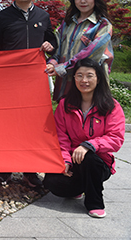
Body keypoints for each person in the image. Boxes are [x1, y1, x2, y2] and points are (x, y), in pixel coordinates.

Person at [0, 0, 58, 188]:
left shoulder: (43, 16)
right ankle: (5, 170)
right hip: (8, 81)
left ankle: (30, 171)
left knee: (33, 126)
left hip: (34, 82)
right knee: (7, 125)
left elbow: (53, 44)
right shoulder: (2, 17)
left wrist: (50, 48)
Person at [43, 58, 125, 218]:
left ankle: (95, 202)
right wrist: (65, 160)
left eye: (89, 76)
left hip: (98, 162)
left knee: (89, 159)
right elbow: (60, 136)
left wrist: (89, 145)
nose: (84, 80)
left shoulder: (111, 106)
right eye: (79, 75)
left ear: (98, 78)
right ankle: (80, 187)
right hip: (73, 160)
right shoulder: (65, 105)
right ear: (74, 79)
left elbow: (115, 138)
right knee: (51, 182)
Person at [46, 0, 114, 101]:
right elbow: (57, 49)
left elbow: (90, 54)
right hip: (65, 83)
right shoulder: (67, 24)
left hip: (88, 84)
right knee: (64, 111)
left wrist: (62, 68)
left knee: (88, 111)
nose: (82, 1)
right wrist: (52, 63)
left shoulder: (103, 25)